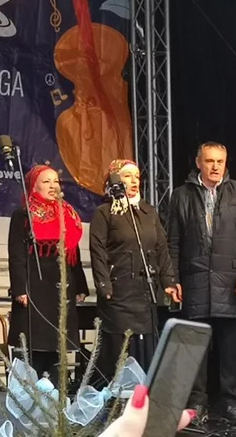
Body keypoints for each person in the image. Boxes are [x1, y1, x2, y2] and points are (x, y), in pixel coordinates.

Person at [166, 142, 236, 424]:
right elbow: (172, 242)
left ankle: (230, 404)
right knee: (196, 348)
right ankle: (197, 406)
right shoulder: (181, 195)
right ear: (198, 163)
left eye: (220, 161)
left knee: (230, 348)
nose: (216, 166)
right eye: (209, 161)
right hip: (195, 282)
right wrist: (173, 279)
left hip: (231, 283)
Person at [89, 159, 181, 384]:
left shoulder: (148, 212)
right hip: (119, 291)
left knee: (144, 347)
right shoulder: (105, 212)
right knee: (118, 348)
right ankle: (110, 400)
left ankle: (140, 398)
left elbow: (161, 248)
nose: (133, 181)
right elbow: (97, 250)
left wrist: (168, 280)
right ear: (115, 180)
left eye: (137, 177)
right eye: (127, 176)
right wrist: (104, 284)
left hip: (144, 291)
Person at [7, 165, 88, 382]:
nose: (53, 186)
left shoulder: (67, 213)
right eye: (46, 181)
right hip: (35, 287)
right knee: (34, 348)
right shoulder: (23, 215)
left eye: (56, 182)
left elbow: (74, 250)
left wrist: (80, 284)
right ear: (34, 186)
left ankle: (54, 398)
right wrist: (19, 288)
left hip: (60, 286)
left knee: (56, 347)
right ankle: (30, 398)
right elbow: (16, 254)